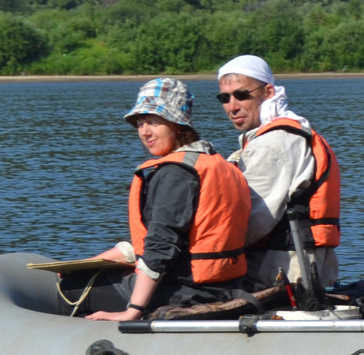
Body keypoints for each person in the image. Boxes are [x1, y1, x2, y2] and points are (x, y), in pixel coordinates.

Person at [85, 77, 253, 322]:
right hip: (225, 284)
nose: (145, 132)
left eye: (153, 121)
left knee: (70, 289)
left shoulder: (175, 172)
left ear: (177, 124)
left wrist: (133, 310)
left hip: (185, 292)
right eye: (140, 123)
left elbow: (161, 245)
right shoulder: (220, 164)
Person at [217, 55, 340, 299]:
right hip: (292, 271)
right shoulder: (277, 135)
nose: (232, 106)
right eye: (224, 98)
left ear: (269, 92)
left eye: (242, 95)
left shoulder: (272, 144)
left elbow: (248, 222)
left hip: (278, 276)